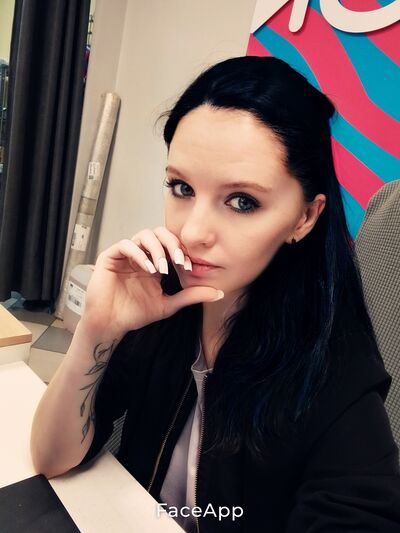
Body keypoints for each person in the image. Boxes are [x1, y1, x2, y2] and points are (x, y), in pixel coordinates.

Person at [30, 56, 400, 532]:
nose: (192, 231)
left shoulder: (334, 370)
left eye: (242, 201)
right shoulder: (160, 300)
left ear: (305, 217)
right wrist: (95, 332)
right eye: (181, 187)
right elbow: (52, 458)